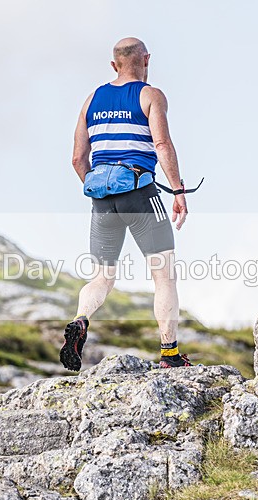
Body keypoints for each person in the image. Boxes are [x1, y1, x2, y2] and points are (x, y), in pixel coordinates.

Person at [60, 37, 191, 372]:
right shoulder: (150, 95)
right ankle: (170, 354)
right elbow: (161, 143)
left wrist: (101, 190)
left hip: (102, 198)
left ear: (114, 65)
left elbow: (77, 159)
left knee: (103, 277)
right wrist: (178, 190)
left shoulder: (92, 100)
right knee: (164, 276)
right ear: (146, 59)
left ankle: (80, 320)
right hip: (141, 195)